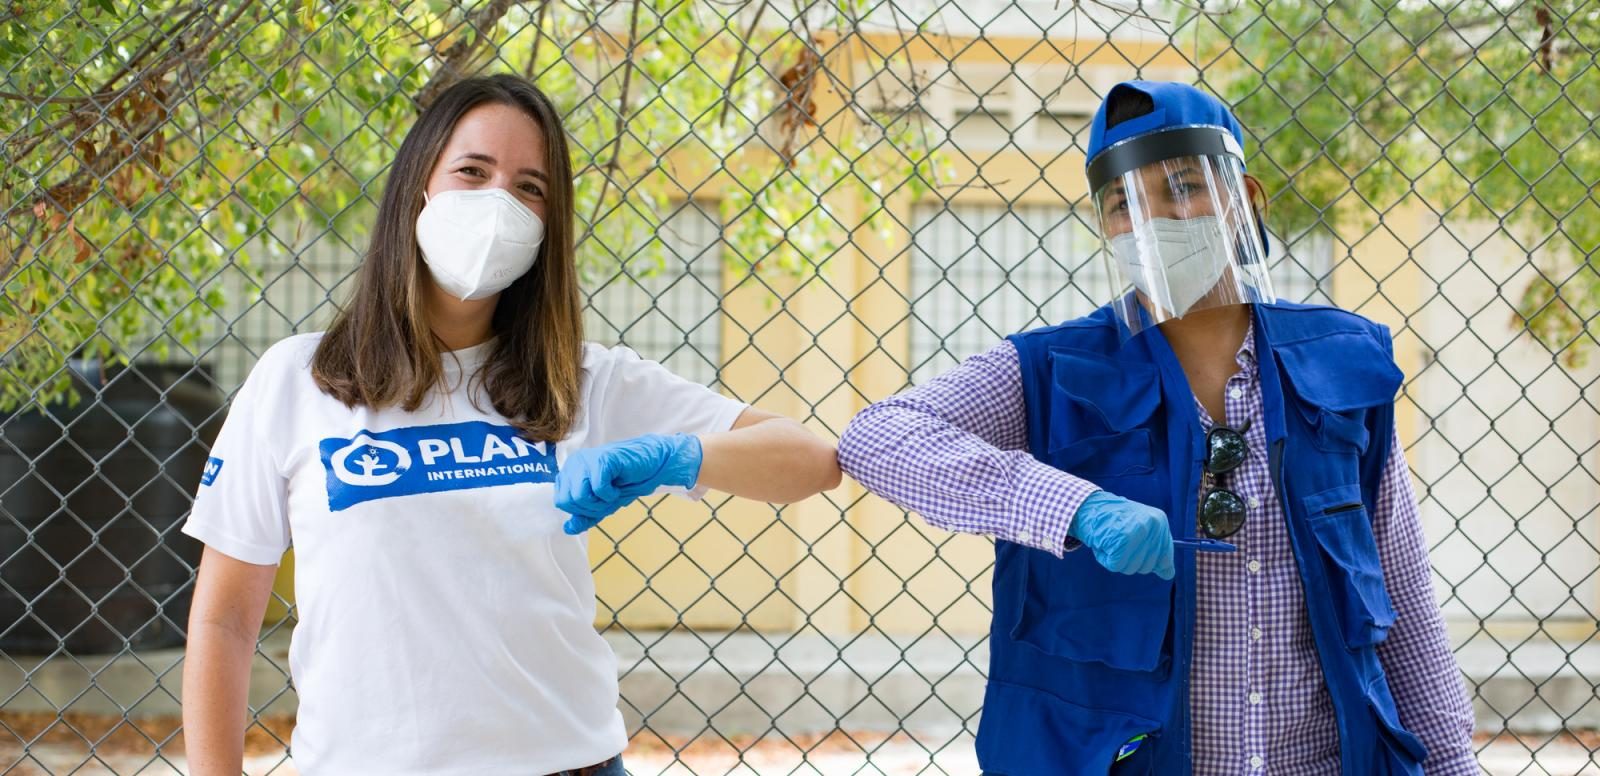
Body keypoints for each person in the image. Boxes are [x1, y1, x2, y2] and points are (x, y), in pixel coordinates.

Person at [180, 74, 840, 775]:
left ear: (549, 224)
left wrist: (675, 455)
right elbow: (224, 621)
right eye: (472, 171)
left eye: (531, 188)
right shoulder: (296, 380)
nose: (499, 203)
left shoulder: (583, 379)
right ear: (419, 188)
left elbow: (810, 460)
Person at [838, 81, 1478, 775]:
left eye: (1182, 188)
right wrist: (1074, 507)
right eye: (1124, 204)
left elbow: (1406, 604)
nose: (1155, 221)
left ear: (1243, 197)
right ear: (1105, 228)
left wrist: (1452, 765)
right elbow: (878, 437)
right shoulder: (1051, 370)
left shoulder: (1340, 364)